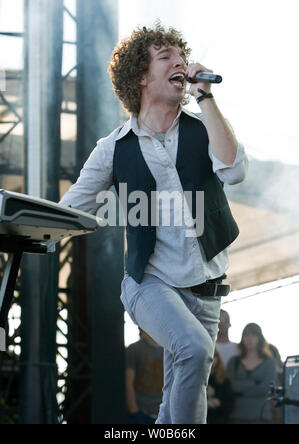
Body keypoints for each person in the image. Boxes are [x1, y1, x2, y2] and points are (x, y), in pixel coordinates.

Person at [58, 22, 248, 423]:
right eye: (167, 57)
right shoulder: (112, 148)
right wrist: (21, 224)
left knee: (189, 390)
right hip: (150, 283)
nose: (180, 63)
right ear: (142, 77)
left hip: (207, 289)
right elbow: (70, 210)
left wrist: (207, 97)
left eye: (182, 57)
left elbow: (233, 170)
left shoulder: (203, 128)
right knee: (195, 351)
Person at [227, 323, 277, 424]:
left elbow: (266, 387)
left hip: (261, 417)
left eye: (253, 335)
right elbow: (232, 386)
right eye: (246, 335)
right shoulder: (234, 361)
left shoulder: (269, 361)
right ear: (242, 338)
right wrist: (255, 383)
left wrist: (242, 390)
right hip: (237, 416)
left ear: (260, 338)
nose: (249, 339)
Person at [126, 328, 163, 424]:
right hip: (142, 413)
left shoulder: (168, 351)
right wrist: (134, 412)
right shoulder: (134, 349)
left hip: (164, 412)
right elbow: (128, 383)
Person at [207, 348, 235, 424]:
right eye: (208, 356)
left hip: (219, 419)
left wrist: (219, 403)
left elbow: (231, 404)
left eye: (214, 356)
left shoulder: (223, 379)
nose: (211, 359)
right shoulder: (196, 379)